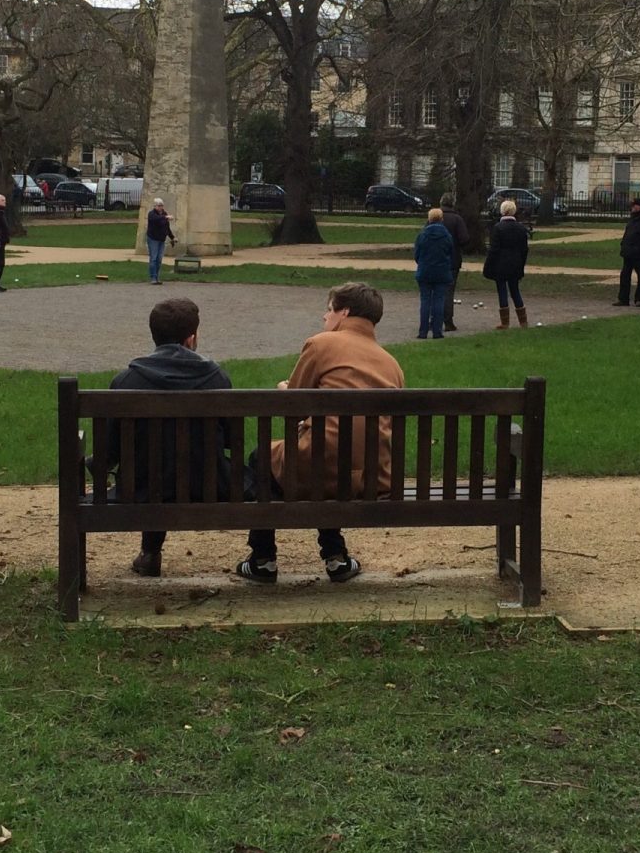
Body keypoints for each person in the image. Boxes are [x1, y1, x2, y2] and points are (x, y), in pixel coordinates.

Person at [238, 281, 399, 585]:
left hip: (320, 468)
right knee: (329, 456)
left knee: (263, 457)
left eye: (329, 310)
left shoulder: (321, 344)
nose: (325, 317)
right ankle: (335, 556)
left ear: (344, 312)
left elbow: (294, 407)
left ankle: (262, 559)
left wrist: (285, 389)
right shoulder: (391, 363)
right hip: (371, 478)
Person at [101, 297, 234, 577]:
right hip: (207, 484)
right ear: (191, 338)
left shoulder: (126, 382)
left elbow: (111, 450)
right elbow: (232, 440)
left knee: (156, 464)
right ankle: (262, 557)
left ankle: (150, 553)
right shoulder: (217, 379)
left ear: (155, 336)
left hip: (139, 489)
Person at [483, 198, 531, 329]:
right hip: (516, 263)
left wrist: (488, 264)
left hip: (501, 264)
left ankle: (505, 322)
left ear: (502, 211)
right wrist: (522, 264)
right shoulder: (521, 228)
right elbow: (524, 249)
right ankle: (523, 321)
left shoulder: (498, 228)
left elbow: (494, 249)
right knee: (515, 290)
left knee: (502, 291)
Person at [413, 206, 456, 339]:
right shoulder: (447, 236)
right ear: (441, 219)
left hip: (425, 271)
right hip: (442, 271)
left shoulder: (422, 235)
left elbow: (417, 255)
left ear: (429, 219)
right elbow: (451, 253)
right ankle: (437, 331)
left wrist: (422, 262)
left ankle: (423, 331)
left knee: (425, 301)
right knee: (439, 300)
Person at [438, 193, 469, 332]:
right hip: (452, 259)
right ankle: (448, 321)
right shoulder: (457, 219)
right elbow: (464, 239)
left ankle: (434, 319)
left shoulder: (435, 217)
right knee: (449, 291)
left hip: (436, 259)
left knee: (435, 290)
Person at [145, 198, 175, 285]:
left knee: (159, 259)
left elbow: (167, 228)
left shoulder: (164, 214)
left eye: (161, 205)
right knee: (153, 258)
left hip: (161, 239)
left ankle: (157, 277)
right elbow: (156, 219)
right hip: (153, 239)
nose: (160, 207)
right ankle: (153, 278)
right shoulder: (151, 214)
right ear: (155, 206)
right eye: (158, 205)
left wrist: (172, 237)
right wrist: (166, 217)